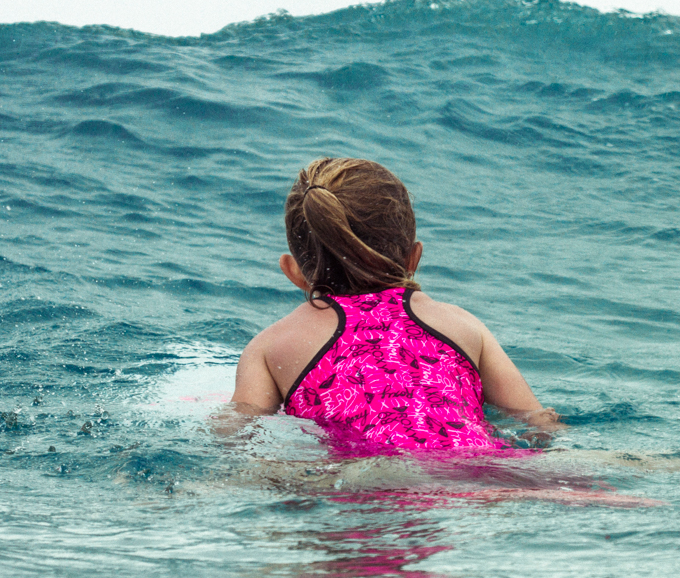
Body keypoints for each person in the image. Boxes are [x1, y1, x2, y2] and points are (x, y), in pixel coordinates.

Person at [229, 157, 560, 456]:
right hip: (482, 461)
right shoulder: (461, 324)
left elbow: (237, 436)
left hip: (370, 476)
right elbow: (538, 421)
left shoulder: (271, 346)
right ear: (413, 257)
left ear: (292, 271)